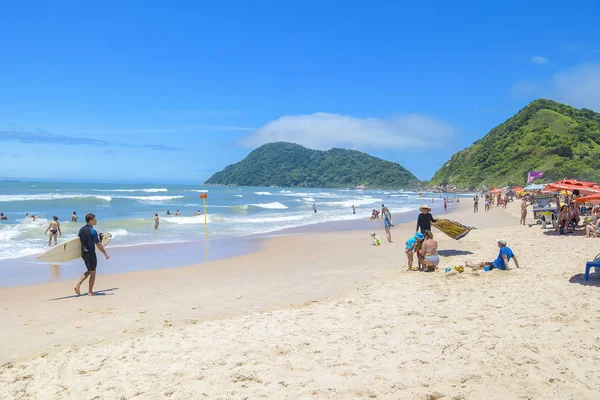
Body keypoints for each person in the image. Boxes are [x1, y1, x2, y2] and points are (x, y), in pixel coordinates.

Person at [74, 213, 110, 296]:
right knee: (93, 272)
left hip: (83, 253)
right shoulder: (93, 231)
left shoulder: (81, 229)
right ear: (91, 220)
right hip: (90, 253)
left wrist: (96, 237)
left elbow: (84, 239)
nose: (96, 220)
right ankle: (90, 291)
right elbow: (98, 244)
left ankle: (77, 285)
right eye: (95, 219)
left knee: (90, 270)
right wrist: (105, 253)